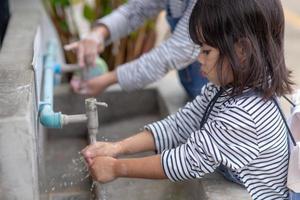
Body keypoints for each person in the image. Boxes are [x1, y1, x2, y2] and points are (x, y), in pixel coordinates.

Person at [81, 0, 294, 199]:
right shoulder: (227, 88)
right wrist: (117, 148)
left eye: (206, 51)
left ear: (242, 50)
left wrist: (117, 168)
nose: (198, 58)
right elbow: (181, 125)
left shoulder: (247, 114)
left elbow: (186, 161)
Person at [65, 0, 207, 99]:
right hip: (194, 84)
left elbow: (179, 50)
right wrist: (98, 34)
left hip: (216, 89)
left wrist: (109, 79)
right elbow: (136, 9)